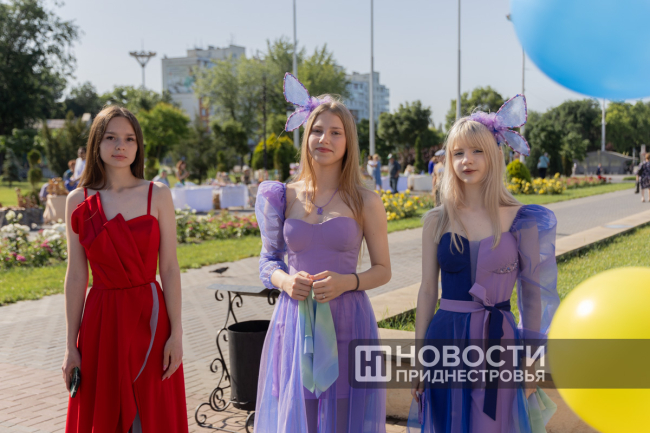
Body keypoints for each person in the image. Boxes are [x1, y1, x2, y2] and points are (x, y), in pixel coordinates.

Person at [409, 96, 559, 432]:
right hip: (446, 339)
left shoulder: (522, 219)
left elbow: (531, 296)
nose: (467, 160)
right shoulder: (436, 220)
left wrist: (530, 360)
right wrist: (419, 359)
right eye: (458, 153)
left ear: (494, 155)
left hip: (498, 340)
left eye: (477, 151)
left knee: (492, 423)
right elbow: (427, 290)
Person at [255, 87, 391, 432]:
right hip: (294, 322)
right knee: (296, 414)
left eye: (335, 132)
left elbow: (383, 270)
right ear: (306, 136)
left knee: (344, 418)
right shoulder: (281, 196)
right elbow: (268, 261)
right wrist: (286, 281)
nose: (324, 139)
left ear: (348, 141)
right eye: (317, 130)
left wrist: (349, 281)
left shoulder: (366, 201)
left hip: (348, 321)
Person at [62, 106, 189, 432]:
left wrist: (176, 333)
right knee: (105, 413)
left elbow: (170, 268)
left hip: (151, 316)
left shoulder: (157, 194)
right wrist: (70, 345)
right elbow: (76, 275)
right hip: (101, 321)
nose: (120, 146)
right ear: (96, 143)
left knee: (150, 413)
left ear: (138, 145)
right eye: (111, 137)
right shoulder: (78, 200)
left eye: (129, 138)